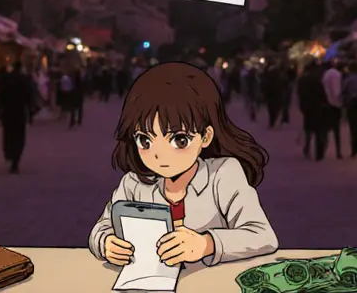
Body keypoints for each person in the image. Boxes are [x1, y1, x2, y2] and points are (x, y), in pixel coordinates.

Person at [88, 62, 278, 267]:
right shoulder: (133, 183)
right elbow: (103, 226)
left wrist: (207, 244)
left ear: (206, 137)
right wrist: (106, 243)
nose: (159, 155)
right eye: (145, 140)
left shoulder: (223, 174)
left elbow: (263, 236)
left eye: (179, 140)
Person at [0, 61, 35, 173]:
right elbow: (29, 96)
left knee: (8, 134)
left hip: (8, 111)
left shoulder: (7, 79)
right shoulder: (24, 80)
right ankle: (16, 160)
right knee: (19, 136)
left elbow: (1, 95)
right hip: (20, 111)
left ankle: (9, 154)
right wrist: (31, 112)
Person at [297, 61, 329, 160]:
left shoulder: (303, 80)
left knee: (308, 129)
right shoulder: (317, 79)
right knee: (319, 130)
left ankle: (307, 148)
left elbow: (300, 94)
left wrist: (302, 106)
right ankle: (319, 153)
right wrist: (325, 103)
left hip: (307, 107)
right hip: (317, 106)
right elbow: (322, 93)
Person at [321, 59, 344, 159]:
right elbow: (336, 91)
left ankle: (322, 150)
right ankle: (338, 152)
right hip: (335, 105)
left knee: (325, 129)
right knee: (336, 129)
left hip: (327, 104)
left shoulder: (325, 75)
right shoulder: (337, 74)